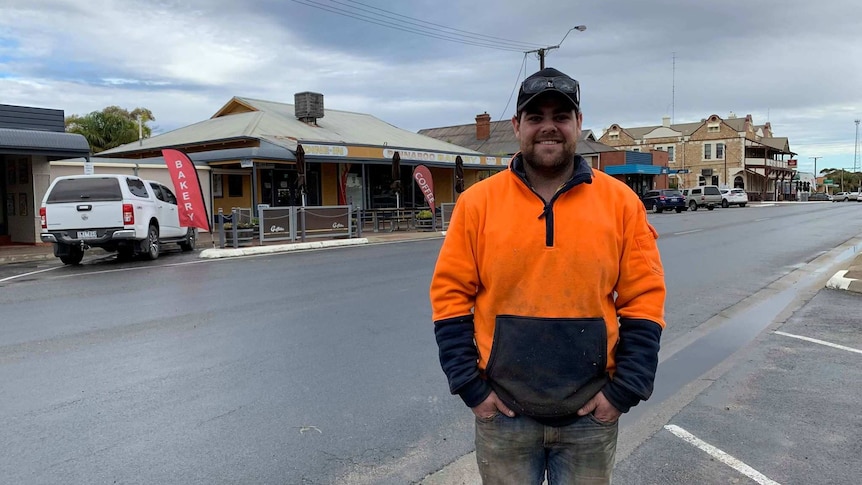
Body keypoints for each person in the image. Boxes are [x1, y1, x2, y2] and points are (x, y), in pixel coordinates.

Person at [429, 67, 667, 484]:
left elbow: (644, 300)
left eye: (561, 116)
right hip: (502, 414)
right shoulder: (477, 204)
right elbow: (449, 298)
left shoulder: (621, 204)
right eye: (536, 117)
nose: (548, 128)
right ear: (517, 125)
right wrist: (471, 388)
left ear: (578, 124)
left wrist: (623, 392)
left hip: (590, 415)